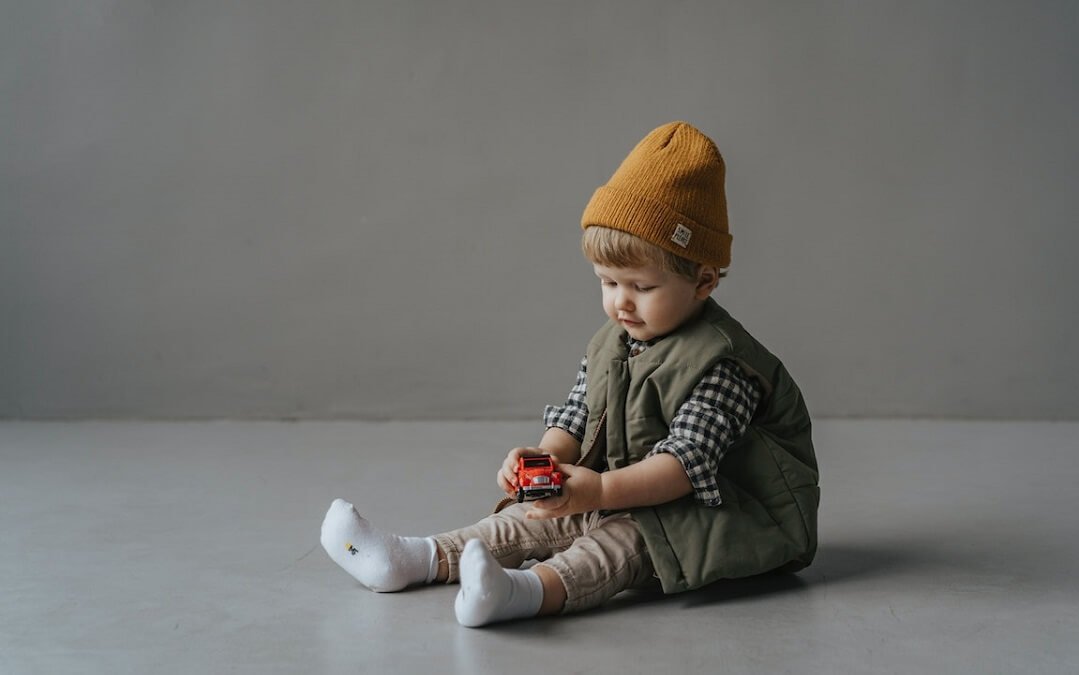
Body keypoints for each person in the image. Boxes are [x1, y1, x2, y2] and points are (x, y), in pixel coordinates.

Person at [320, 121, 819, 627]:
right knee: (531, 517)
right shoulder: (615, 341)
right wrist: (547, 458)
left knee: (620, 543)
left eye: (641, 286)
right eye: (607, 281)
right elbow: (580, 411)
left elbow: (683, 464)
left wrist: (599, 492)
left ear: (703, 280)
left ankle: (522, 592)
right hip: (633, 492)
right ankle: (411, 558)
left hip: (725, 515)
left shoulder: (724, 365)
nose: (620, 301)